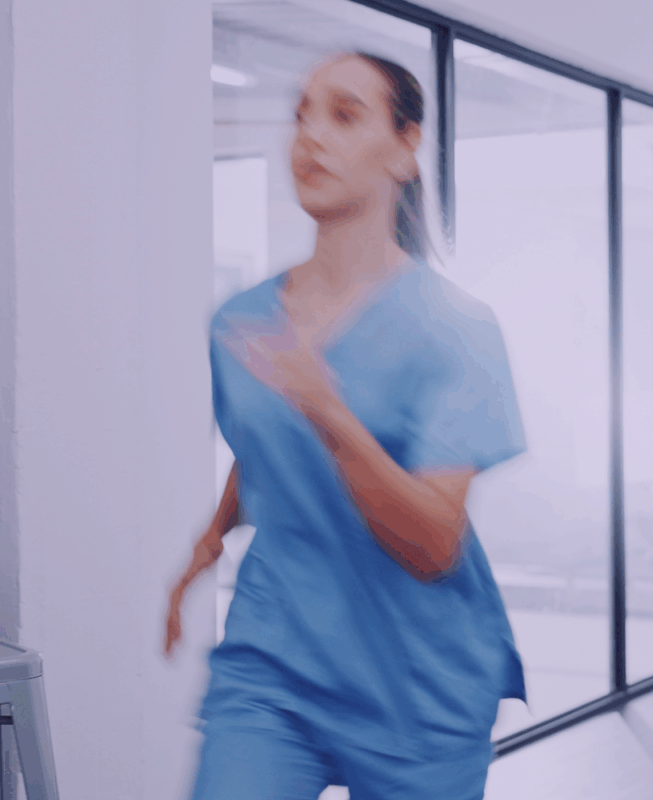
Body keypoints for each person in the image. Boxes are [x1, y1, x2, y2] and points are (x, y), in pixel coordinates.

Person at [163, 51, 527, 800]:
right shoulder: (243, 321)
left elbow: (432, 543)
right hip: (276, 663)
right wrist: (207, 544)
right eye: (301, 113)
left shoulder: (457, 328)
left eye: (344, 114)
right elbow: (263, 451)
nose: (310, 136)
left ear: (404, 146)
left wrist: (329, 411)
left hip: (420, 688)